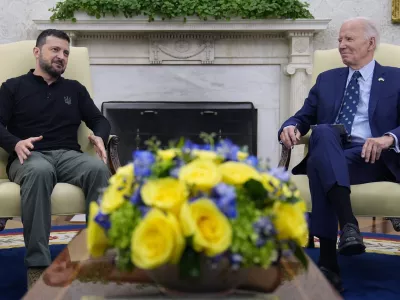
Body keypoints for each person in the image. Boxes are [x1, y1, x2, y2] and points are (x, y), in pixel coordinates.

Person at [278, 17, 400, 292]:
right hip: (333, 151)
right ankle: (349, 226)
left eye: (348, 39)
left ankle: (329, 263)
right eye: (340, 40)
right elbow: (302, 117)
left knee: (321, 162)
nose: (341, 45)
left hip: (374, 158)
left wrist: (387, 138)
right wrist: (289, 127)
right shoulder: (327, 79)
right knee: (322, 134)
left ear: (370, 43)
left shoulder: (395, 77)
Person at [0, 29, 111, 286]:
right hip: (29, 156)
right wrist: (15, 143)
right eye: (55, 50)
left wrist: (99, 137)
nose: (61, 56)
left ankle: (96, 257)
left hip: (68, 156)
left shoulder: (74, 89)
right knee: (39, 172)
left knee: (97, 169)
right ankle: (38, 265)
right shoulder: (13, 87)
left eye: (66, 52)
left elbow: (98, 119)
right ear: (37, 52)